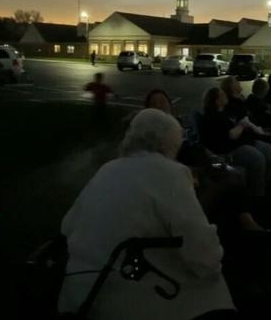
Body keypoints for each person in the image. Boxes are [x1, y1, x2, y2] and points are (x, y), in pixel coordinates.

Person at [58, 109, 235, 320]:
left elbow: (67, 226)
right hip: (124, 300)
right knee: (213, 288)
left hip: (79, 294)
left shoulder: (107, 169)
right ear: (170, 144)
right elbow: (204, 256)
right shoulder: (171, 173)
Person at [145, 88, 267, 233]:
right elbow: (160, 160)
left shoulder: (179, 122)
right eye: (154, 103)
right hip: (187, 168)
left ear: (170, 104)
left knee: (232, 174)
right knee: (217, 182)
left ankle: (246, 219)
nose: (159, 105)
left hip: (203, 159)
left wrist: (211, 155)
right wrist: (187, 172)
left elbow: (195, 143)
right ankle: (202, 230)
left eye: (162, 101)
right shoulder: (151, 133)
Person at [199, 88, 271, 199]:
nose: (225, 95)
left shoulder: (224, 112)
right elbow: (231, 135)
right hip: (230, 150)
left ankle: (269, 184)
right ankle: (257, 195)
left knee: (268, 148)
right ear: (217, 100)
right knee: (258, 158)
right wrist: (242, 125)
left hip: (241, 142)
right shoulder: (212, 117)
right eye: (222, 94)